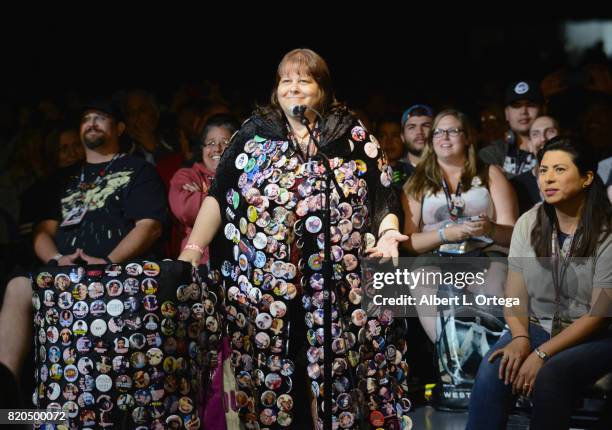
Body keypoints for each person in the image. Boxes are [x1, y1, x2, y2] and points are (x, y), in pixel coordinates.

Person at [179, 48, 410, 429]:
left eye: (305, 80)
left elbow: (382, 193)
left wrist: (387, 234)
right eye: (286, 80)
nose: (294, 88)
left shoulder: (349, 134)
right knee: (282, 386)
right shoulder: (254, 134)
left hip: (338, 291)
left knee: (336, 382)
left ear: (323, 88)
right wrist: (192, 251)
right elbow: (219, 196)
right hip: (266, 293)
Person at [0, 97, 167, 388]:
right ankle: (6, 396)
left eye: (100, 117)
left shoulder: (138, 170)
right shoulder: (60, 179)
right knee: (17, 287)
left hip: (115, 272)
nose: (91, 122)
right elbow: (42, 231)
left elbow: (149, 226)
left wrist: (109, 262)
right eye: (86, 118)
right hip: (61, 271)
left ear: (120, 127)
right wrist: (55, 259)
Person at [467, 136, 612, 430]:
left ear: (586, 178)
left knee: (552, 374)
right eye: (543, 170)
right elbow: (515, 295)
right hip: (539, 325)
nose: (548, 179)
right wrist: (521, 338)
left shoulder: (605, 230)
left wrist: (541, 353)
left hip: (596, 334)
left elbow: (598, 315)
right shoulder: (529, 222)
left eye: (559, 170)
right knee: (494, 367)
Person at [401, 109, 518, 341]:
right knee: (423, 279)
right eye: (438, 132)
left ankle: (494, 358)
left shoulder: (490, 173)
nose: (445, 137)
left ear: (467, 137)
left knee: (494, 287)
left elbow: (514, 234)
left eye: (453, 131)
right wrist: (446, 234)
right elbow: (409, 242)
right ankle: (450, 358)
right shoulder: (418, 181)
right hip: (436, 256)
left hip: (484, 252)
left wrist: (491, 229)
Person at [168, 113, 239, 264]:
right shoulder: (186, 175)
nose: (217, 149)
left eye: (225, 142)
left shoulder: (246, 176)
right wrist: (231, 199)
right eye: (211, 143)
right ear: (202, 148)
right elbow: (186, 210)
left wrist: (203, 194)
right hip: (199, 261)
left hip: (238, 260)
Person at [479, 80, 543, 178]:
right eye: (516, 106)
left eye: (530, 105)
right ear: (507, 113)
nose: (523, 111)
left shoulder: (558, 149)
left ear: (543, 109)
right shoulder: (491, 153)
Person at [510, 115, 560, 214]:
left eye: (550, 131)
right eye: (535, 134)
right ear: (529, 145)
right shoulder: (517, 186)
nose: (543, 139)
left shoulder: (577, 178)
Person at [400, 103, 433, 174]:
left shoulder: (449, 170)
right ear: (402, 136)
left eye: (426, 126)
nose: (419, 132)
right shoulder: (391, 175)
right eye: (412, 127)